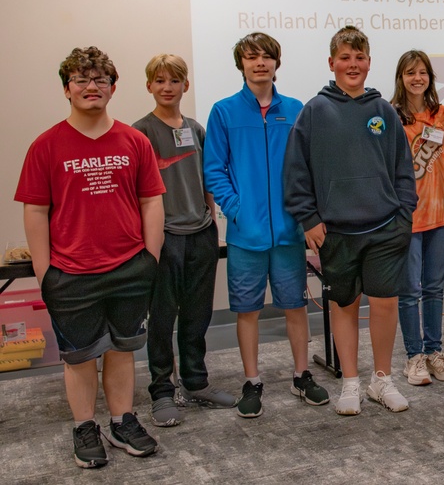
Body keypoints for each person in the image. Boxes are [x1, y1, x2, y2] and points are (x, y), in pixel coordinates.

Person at [15, 46, 165, 468]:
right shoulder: (46, 146)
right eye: (81, 80)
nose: (91, 87)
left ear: (113, 88)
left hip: (129, 267)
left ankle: (122, 421)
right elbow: (36, 210)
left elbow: (152, 201)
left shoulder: (134, 141)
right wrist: (46, 274)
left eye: (100, 80)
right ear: (67, 89)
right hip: (71, 273)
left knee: (121, 350)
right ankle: (85, 427)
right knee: (79, 358)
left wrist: (149, 259)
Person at [284, 26, 418, 413]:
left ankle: (381, 380)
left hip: (385, 228)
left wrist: (404, 215)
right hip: (336, 232)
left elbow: (403, 169)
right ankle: (350, 382)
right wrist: (309, 218)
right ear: (332, 63)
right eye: (345, 57)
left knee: (384, 304)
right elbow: (296, 172)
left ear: (369, 63)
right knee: (344, 305)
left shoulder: (384, 111)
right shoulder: (314, 111)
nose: (353, 64)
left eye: (360, 57)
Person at [204, 32, 328, 419]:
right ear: (241, 64)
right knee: (247, 311)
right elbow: (214, 171)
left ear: (277, 63)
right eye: (251, 57)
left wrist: (305, 216)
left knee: (295, 306)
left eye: (266, 57)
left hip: (290, 234)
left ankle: (301, 374)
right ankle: (253, 381)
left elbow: (309, 167)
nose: (260, 63)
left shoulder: (295, 109)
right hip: (246, 235)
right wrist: (237, 209)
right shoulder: (224, 112)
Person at [133, 54, 235, 427]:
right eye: (159, 81)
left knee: (197, 315)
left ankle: (195, 382)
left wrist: (212, 222)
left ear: (185, 86)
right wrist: (148, 244)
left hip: (201, 234)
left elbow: (207, 179)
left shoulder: (195, 128)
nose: (166, 87)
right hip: (164, 240)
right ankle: (162, 390)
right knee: (161, 318)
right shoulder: (140, 132)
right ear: (149, 86)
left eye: (174, 81)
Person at [390, 49, 444, 386]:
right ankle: (413, 357)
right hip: (408, 218)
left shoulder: (441, 114)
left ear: (430, 77)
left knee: (434, 288)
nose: (417, 78)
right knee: (409, 290)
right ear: (400, 78)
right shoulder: (391, 116)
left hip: (442, 213)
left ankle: (434, 352)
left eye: (423, 73)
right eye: (410, 73)